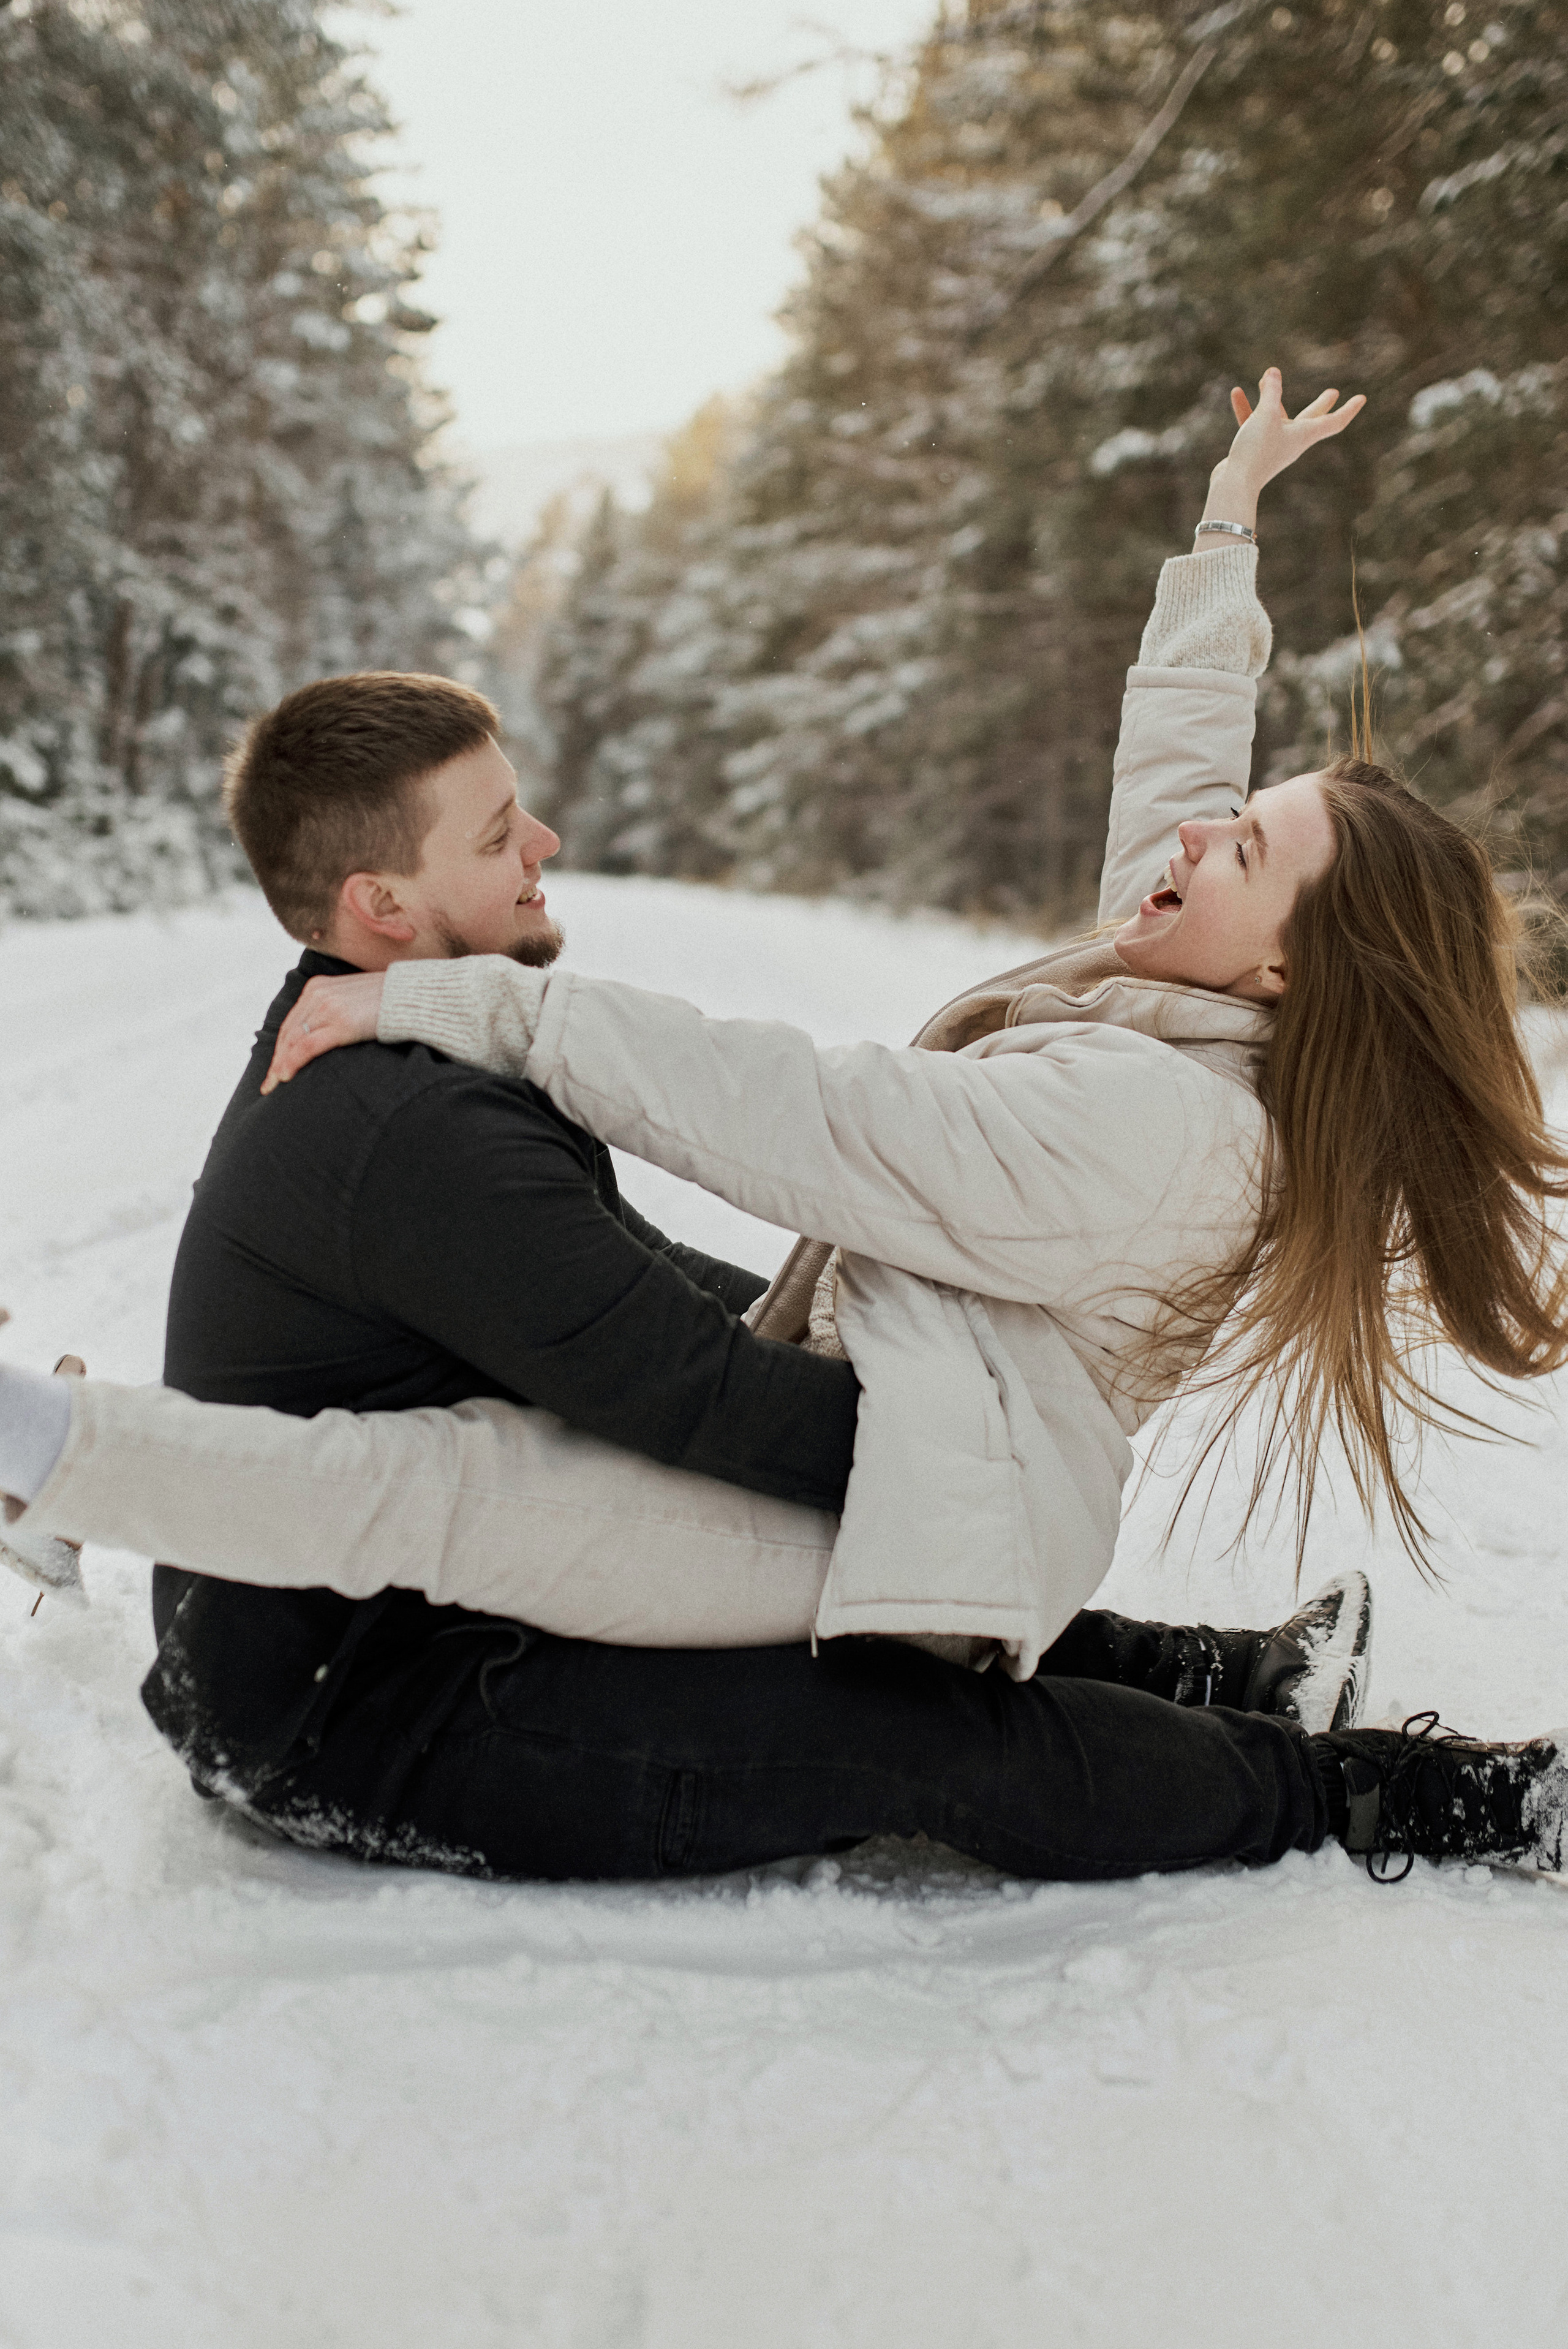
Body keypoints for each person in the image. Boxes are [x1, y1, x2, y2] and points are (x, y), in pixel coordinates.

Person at [4, 370, 1565, 1880]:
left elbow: (821, 1116)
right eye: (1236, 808)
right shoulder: (1192, 990)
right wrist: (1224, 537)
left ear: (1289, 959)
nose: (1193, 831)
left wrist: (512, 1012)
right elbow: (1180, 766)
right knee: (470, 1470)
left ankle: (1410, 1799)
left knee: (905, 1727)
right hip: (928, 1427)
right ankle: (1218, 1677)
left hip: (947, 1479)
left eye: (1243, 846)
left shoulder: (1159, 1125)